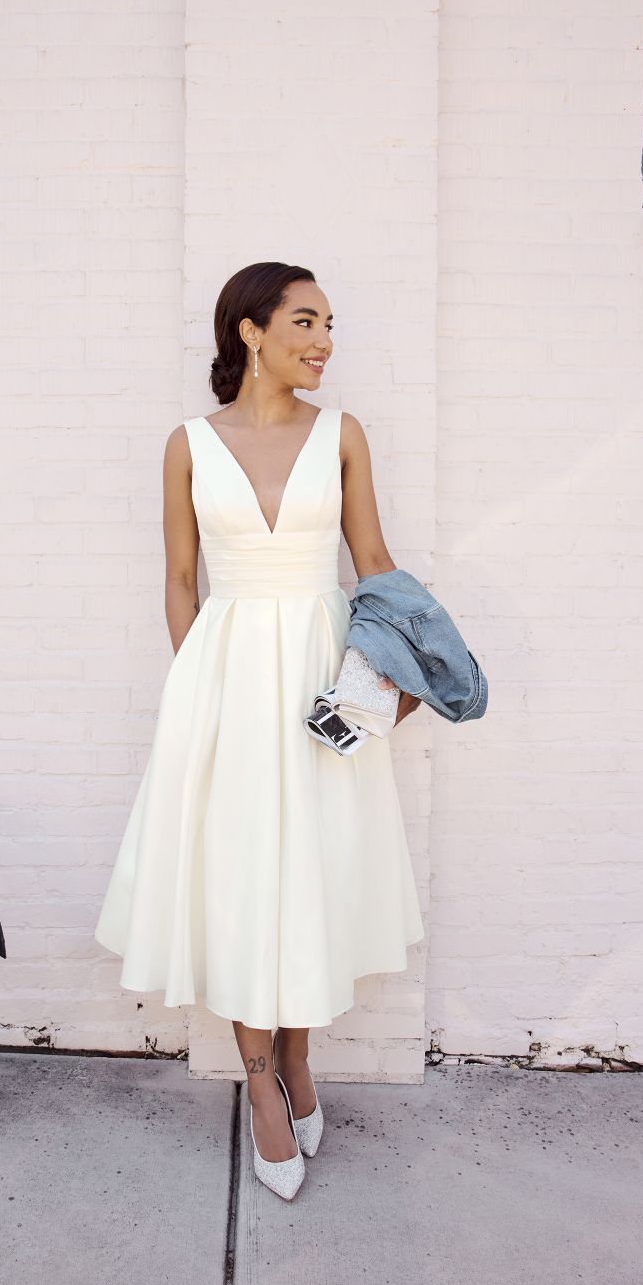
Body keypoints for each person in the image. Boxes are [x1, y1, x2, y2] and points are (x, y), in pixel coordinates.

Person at [95, 261, 424, 1198]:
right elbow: (178, 580)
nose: (324, 341)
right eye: (307, 321)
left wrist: (393, 672)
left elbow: (373, 563)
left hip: (325, 678)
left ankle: (300, 1058)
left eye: (331, 326)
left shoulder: (343, 435)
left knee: (312, 869)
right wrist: (196, 680)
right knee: (244, 878)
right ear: (250, 331)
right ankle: (260, 1083)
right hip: (228, 678)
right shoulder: (188, 445)